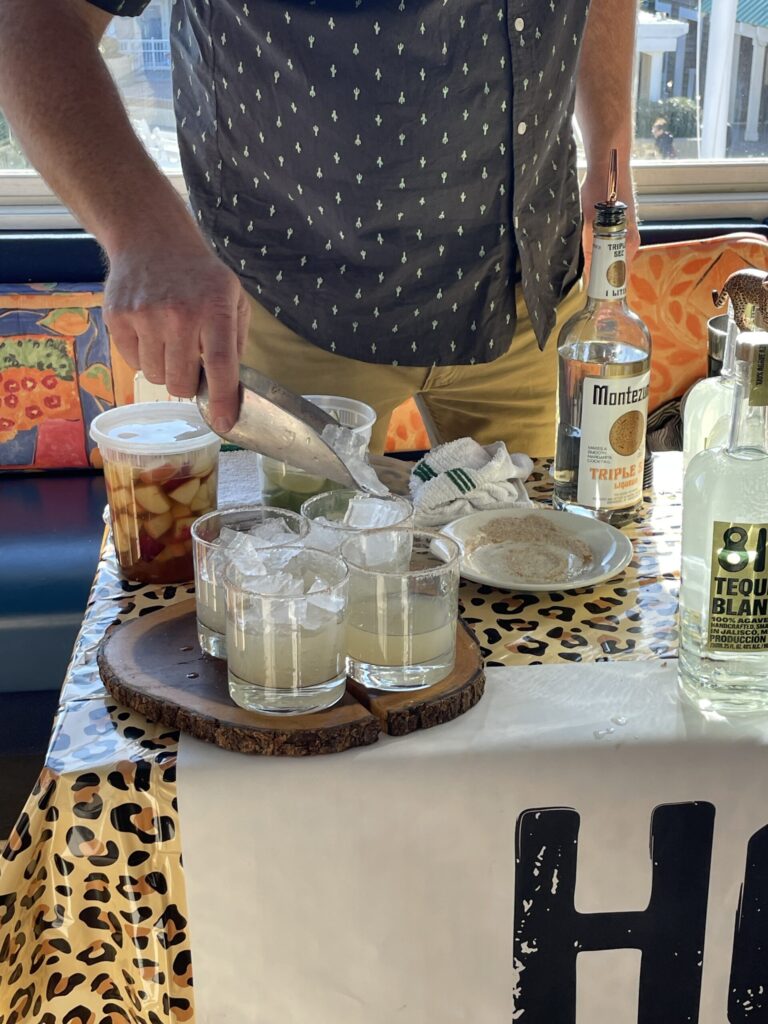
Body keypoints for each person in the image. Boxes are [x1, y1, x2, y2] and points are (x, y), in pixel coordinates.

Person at [0, 0, 639, 456]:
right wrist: (144, 233)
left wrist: (612, 154)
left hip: (528, 294)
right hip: (298, 300)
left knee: (539, 603)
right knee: (299, 615)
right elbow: (35, 16)